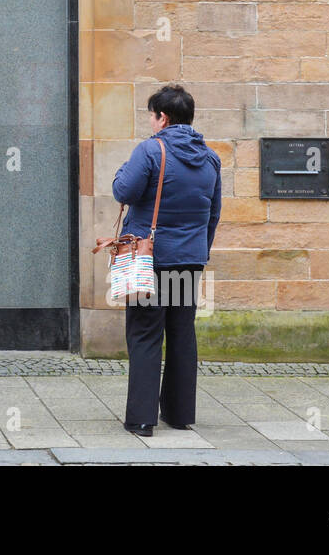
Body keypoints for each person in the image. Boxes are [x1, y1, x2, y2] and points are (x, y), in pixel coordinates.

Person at [111, 84, 221, 436]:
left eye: (152, 115)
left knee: (145, 334)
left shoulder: (150, 150)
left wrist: (119, 172)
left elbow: (123, 192)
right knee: (181, 334)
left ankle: (143, 419)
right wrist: (198, 251)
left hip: (149, 260)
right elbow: (213, 214)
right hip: (189, 259)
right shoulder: (210, 158)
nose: (151, 121)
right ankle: (179, 414)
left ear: (162, 117)